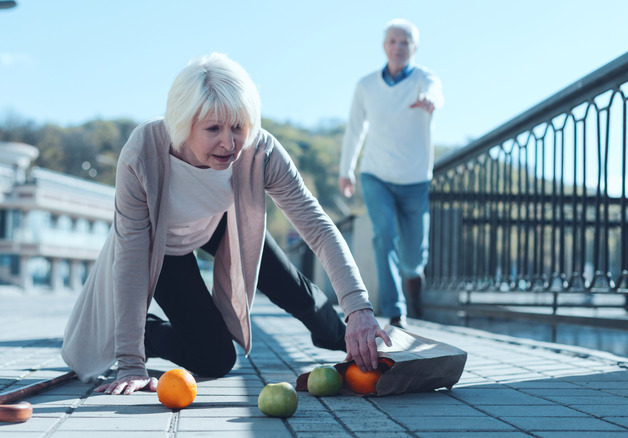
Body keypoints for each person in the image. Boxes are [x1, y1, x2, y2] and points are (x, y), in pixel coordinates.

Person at [61, 52, 391, 395]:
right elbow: (130, 258)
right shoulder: (142, 152)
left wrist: (358, 309)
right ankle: (145, 333)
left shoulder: (260, 150)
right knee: (215, 359)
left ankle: (357, 343)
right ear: (183, 122)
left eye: (237, 127)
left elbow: (318, 229)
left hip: (220, 223)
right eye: (213, 129)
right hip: (161, 244)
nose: (229, 143)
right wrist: (131, 360)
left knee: (299, 294)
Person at [339, 19, 444, 329]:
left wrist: (431, 101)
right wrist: (347, 170)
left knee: (413, 257)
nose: (399, 47)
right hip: (376, 175)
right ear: (385, 46)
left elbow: (436, 93)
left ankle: (414, 281)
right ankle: (395, 312)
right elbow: (355, 129)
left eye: (405, 42)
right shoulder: (366, 85)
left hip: (415, 179)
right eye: (393, 41)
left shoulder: (426, 79)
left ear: (414, 48)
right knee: (383, 236)